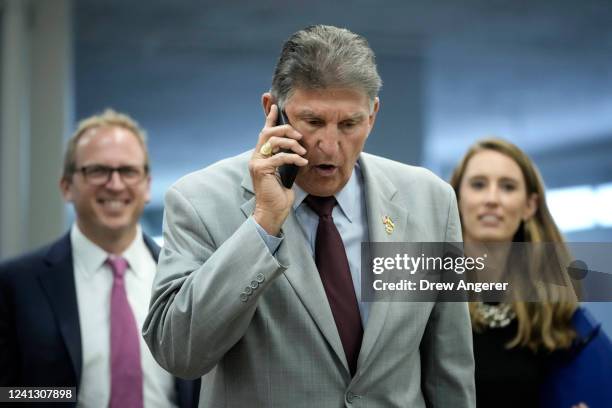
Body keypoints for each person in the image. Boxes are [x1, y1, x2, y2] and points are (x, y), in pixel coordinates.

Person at [143, 25, 475, 407]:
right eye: (313, 122)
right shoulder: (200, 201)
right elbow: (178, 354)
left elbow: (449, 371)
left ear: (373, 116)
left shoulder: (429, 200)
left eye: (349, 124)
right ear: (272, 111)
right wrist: (263, 225)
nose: (329, 145)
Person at [0, 110, 199, 408]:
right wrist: (64, 396)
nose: (115, 184)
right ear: (66, 186)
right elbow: (6, 393)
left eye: (128, 171)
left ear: (146, 185)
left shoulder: (187, 280)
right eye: (98, 170)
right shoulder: (15, 283)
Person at [449, 138, 612, 408]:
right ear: (456, 197)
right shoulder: (426, 301)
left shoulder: (555, 313)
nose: (491, 198)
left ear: (530, 205)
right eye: (478, 184)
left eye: (507, 187)